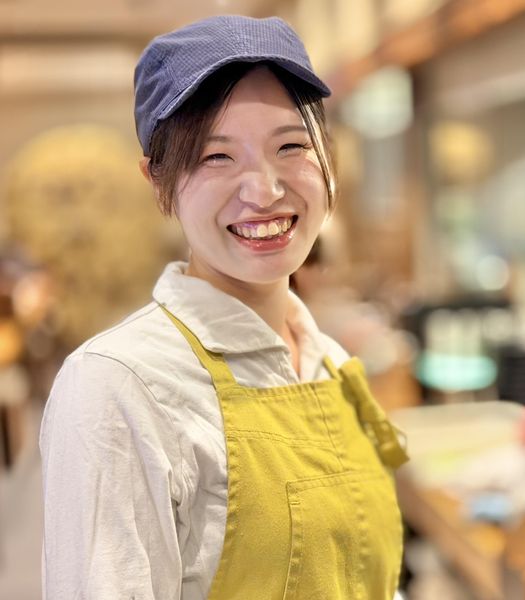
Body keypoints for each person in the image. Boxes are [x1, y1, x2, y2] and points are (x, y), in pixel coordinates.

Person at [39, 15, 408, 600]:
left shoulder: (332, 365)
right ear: (156, 179)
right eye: (216, 157)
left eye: (291, 146)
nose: (264, 191)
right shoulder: (119, 385)